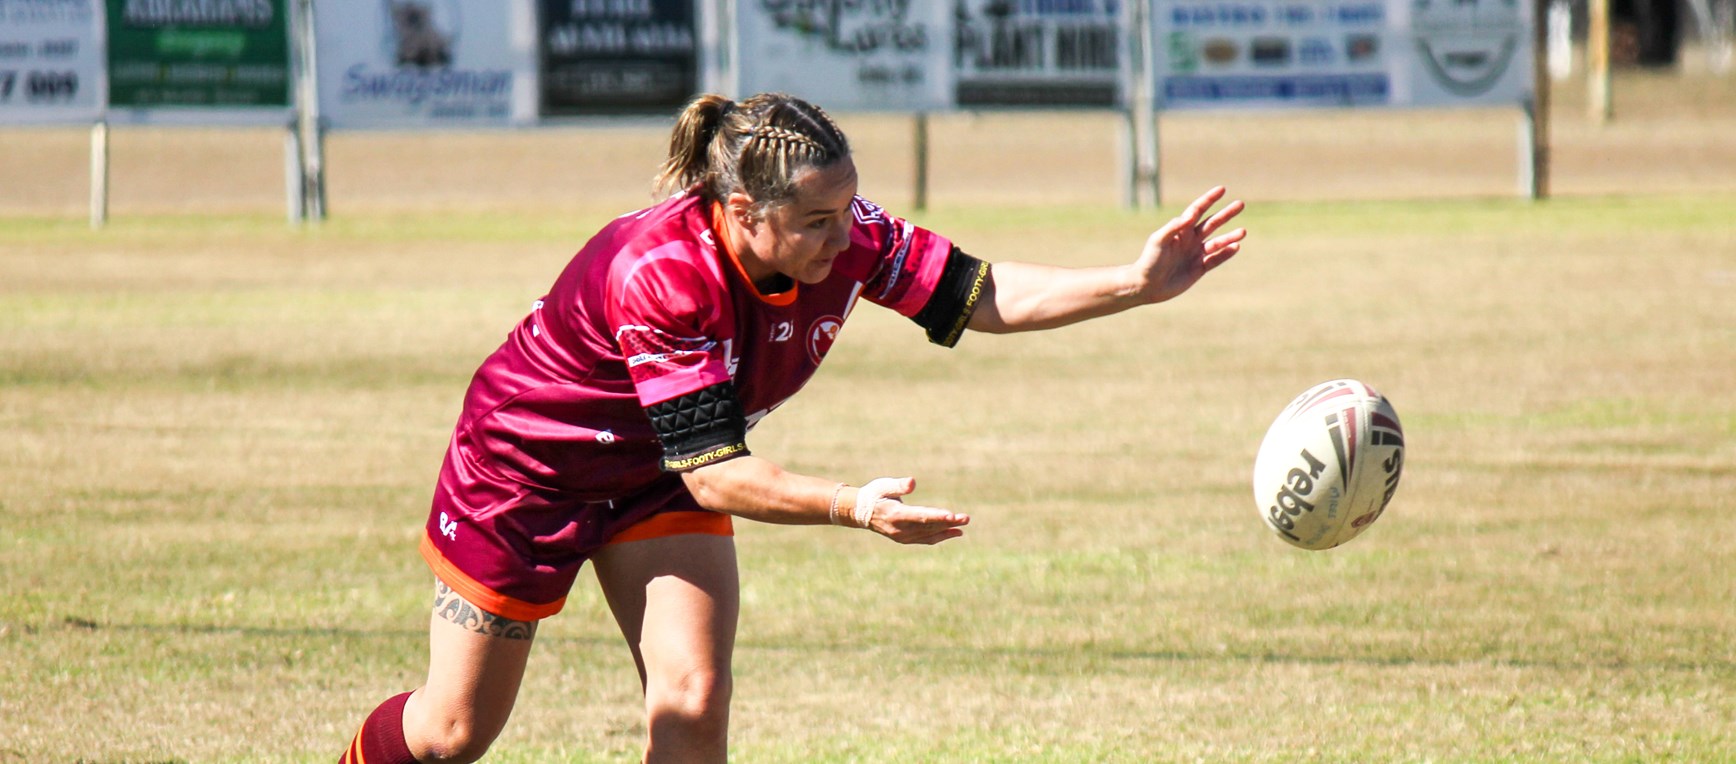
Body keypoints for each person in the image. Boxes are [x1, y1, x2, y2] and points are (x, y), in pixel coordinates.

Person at [338, 91, 1245, 764]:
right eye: (814, 221)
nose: (839, 237)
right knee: (453, 734)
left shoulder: (848, 236)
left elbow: (981, 295)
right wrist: (852, 506)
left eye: (846, 209)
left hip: (655, 474)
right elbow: (716, 476)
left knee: (691, 702)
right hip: (526, 475)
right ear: (741, 213)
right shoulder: (664, 274)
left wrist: (1134, 283)